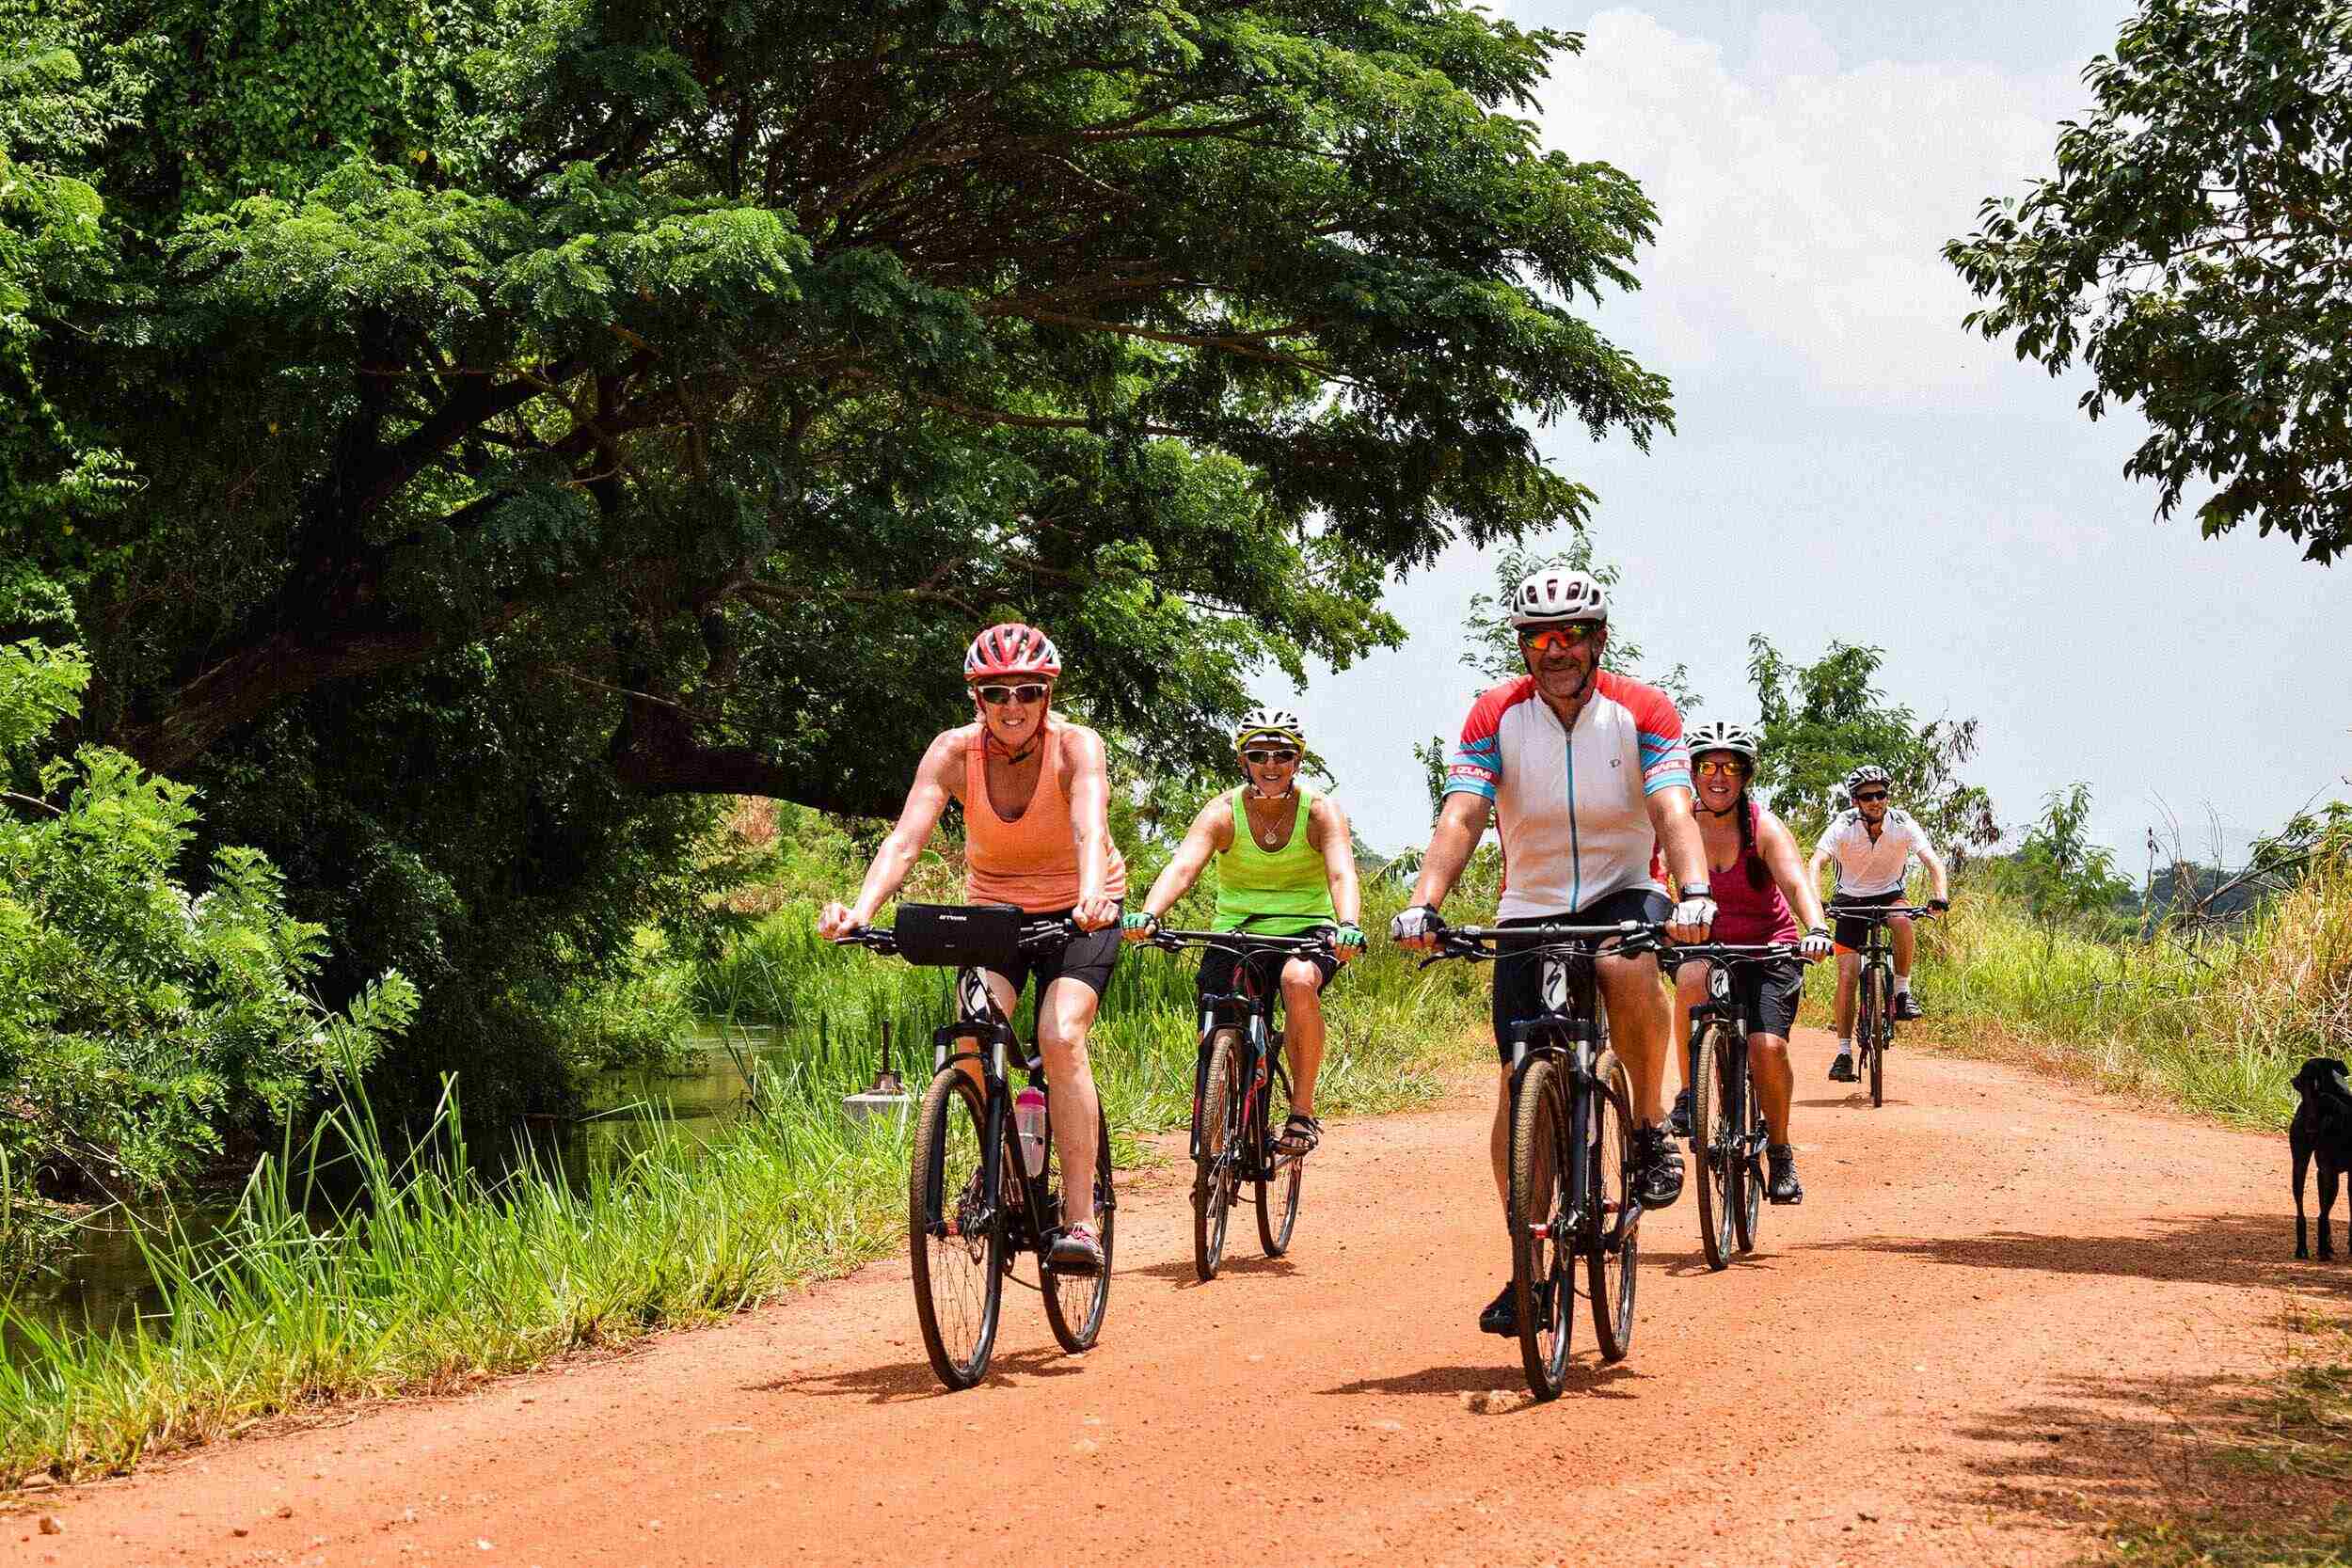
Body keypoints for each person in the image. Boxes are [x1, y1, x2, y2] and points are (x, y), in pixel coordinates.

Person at [1390, 565, 1714, 1338]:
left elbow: (1672, 805)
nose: (1556, 649)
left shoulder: (1643, 710)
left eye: (1572, 633)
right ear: (1522, 646)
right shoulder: (1494, 714)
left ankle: (1643, 1132)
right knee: (1516, 1089)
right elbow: (1464, 814)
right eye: (1539, 637)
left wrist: (1694, 889)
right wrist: (1422, 903)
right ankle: (1527, 1268)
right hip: (1530, 905)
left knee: (1626, 964)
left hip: (1623, 887)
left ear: (1599, 636)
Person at [818, 623, 1124, 1274]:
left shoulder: (1077, 746)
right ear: (976, 698)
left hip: (1082, 913)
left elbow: (1088, 826)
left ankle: (1080, 1218)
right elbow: (906, 839)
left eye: (1027, 691)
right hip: (997, 913)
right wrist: (860, 911)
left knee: (1061, 1034)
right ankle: (1004, 1169)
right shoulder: (954, 752)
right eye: (996, 692)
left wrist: (1093, 894)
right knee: (974, 1032)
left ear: (1047, 693)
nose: (1013, 706)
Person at [1120, 708, 1365, 1153]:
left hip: (1307, 931)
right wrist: (1150, 913)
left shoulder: (1320, 813)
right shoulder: (1222, 811)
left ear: (1298, 760)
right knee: (1217, 1012)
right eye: (1259, 754)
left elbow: (1341, 874)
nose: (1271, 764)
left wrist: (1347, 924)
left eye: (1282, 754)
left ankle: (1302, 1115)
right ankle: (1212, 1146)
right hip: (1236, 931)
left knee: (1297, 980)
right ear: (1243, 761)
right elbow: (1183, 866)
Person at [1664, 721, 1834, 1204]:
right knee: (1691, 976)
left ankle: (1779, 1151)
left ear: (1746, 776)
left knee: (1766, 1048)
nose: (1720, 776)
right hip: (1705, 948)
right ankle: (1690, 1094)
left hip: (1769, 951)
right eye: (1709, 766)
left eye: (1732, 766)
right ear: (1693, 774)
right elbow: (1654, 880)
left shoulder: (1762, 826)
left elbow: (1798, 883)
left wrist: (1816, 930)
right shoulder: (1679, 826)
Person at [1806, 763, 1951, 1085]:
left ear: (1887, 796)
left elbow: (1932, 860)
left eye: (1881, 794)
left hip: (1890, 895)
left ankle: (1901, 992)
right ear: (1855, 800)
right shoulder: (1843, 825)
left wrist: (1939, 894)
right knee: (1846, 974)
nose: (1875, 801)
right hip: (1849, 900)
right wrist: (1815, 900)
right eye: (1867, 796)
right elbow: (1817, 861)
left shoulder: (1902, 823)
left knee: (1901, 920)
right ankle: (1844, 1053)